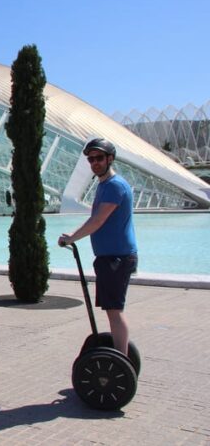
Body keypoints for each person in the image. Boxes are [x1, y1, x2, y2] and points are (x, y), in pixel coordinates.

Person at [59, 138, 137, 357]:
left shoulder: (114, 186)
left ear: (110, 159)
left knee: (115, 312)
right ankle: (121, 356)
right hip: (110, 257)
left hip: (117, 258)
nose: (94, 162)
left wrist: (72, 238)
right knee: (113, 311)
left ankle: (121, 360)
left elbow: (97, 220)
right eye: (91, 159)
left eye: (99, 158)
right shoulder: (105, 185)